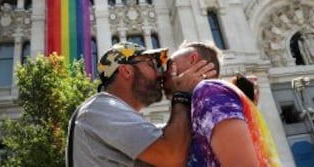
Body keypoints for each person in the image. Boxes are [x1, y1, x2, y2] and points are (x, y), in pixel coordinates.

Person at [66, 41, 216, 167]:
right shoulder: (100, 108)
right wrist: (182, 94)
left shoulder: (115, 115)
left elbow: (179, 141)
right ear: (126, 71)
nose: (160, 75)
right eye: (151, 65)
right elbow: (172, 155)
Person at [164, 41, 282, 167]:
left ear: (193, 59)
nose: (165, 74)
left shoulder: (208, 91)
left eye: (171, 65)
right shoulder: (201, 103)